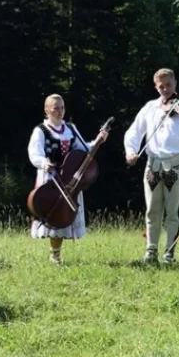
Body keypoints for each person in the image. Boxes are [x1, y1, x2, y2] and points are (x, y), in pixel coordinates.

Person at [124, 68, 179, 264]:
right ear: (156, 87)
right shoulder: (150, 107)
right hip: (153, 163)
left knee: (173, 210)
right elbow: (134, 132)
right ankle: (151, 251)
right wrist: (131, 151)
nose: (166, 89)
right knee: (152, 209)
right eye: (161, 86)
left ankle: (169, 253)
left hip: (176, 164)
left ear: (175, 83)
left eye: (168, 85)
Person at [28, 94, 108, 265]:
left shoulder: (70, 128)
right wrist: (44, 162)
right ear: (46, 110)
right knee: (54, 212)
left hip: (70, 180)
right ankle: (54, 254)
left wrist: (98, 141)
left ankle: (56, 254)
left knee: (65, 212)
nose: (59, 111)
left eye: (62, 107)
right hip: (51, 178)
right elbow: (35, 153)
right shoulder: (41, 131)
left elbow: (84, 148)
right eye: (55, 107)